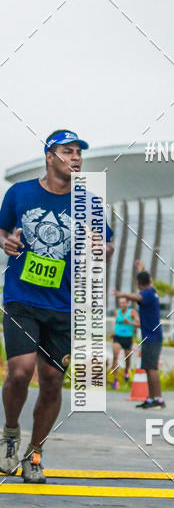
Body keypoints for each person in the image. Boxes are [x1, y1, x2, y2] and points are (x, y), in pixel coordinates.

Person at [0, 129, 114, 483]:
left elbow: (108, 245)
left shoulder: (89, 201)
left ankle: (35, 454)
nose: (76, 158)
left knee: (52, 382)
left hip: (66, 305)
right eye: (68, 151)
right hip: (22, 298)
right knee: (19, 371)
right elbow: (1, 232)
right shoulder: (20, 193)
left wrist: (101, 249)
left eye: (79, 152)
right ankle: (10, 434)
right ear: (50, 157)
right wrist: (6, 242)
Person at [113, 267, 165, 409]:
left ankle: (158, 399)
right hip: (151, 336)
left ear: (139, 283)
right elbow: (148, 284)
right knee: (148, 368)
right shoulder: (152, 291)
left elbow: (138, 298)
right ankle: (151, 398)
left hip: (152, 338)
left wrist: (122, 294)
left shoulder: (147, 294)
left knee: (152, 368)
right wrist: (142, 268)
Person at [110, 295, 139, 387]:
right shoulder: (117, 312)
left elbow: (139, 324)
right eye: (120, 303)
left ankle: (126, 371)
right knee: (115, 356)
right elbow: (116, 322)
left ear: (127, 303)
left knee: (127, 359)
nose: (121, 305)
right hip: (117, 337)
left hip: (127, 338)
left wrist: (129, 322)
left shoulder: (132, 312)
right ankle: (115, 381)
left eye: (123, 303)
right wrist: (113, 332)